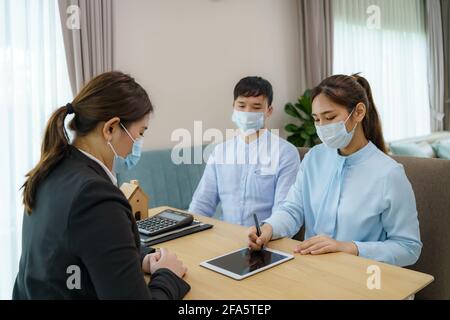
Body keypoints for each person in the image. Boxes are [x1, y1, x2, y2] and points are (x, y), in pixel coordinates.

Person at [13, 71, 190, 299]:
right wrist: (168, 275)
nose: (138, 143)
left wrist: (140, 257)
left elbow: (85, 247)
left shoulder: (52, 168)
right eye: (140, 133)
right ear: (110, 128)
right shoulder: (95, 196)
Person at [247, 74, 422, 267]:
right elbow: (292, 209)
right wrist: (269, 228)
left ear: (358, 112)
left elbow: (408, 247)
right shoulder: (314, 158)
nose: (322, 127)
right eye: (317, 119)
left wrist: (350, 248)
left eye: (330, 117)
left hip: (365, 277)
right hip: (315, 270)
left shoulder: (389, 174)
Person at [189, 76, 300, 226]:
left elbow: (284, 210)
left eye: (256, 107)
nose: (248, 112)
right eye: (241, 106)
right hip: (226, 238)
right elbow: (202, 204)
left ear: (269, 111)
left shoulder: (285, 153)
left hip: (266, 239)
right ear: (233, 107)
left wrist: (266, 233)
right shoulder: (220, 151)